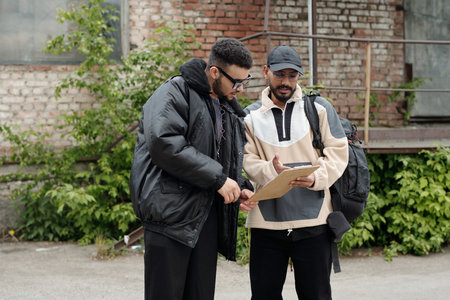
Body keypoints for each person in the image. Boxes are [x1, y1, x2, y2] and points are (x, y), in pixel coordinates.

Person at [129, 38, 257, 300]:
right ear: (214, 72)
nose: (241, 88)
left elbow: (219, 157)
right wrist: (219, 179)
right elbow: (164, 144)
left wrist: (238, 185)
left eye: (246, 80)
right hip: (170, 217)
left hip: (205, 217)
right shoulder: (174, 92)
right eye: (236, 81)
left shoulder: (225, 105)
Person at [243, 45, 349, 300]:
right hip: (265, 224)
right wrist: (271, 170)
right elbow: (245, 160)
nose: (286, 81)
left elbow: (338, 153)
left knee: (316, 296)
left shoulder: (319, 109)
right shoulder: (249, 116)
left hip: (314, 224)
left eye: (293, 75)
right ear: (266, 71)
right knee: (263, 296)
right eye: (280, 74)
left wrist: (316, 178)